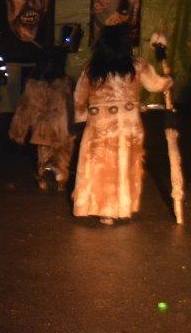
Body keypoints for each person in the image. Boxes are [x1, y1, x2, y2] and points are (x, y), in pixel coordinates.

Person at [72, 25, 173, 224]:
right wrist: (169, 80)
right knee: (124, 163)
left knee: (98, 164)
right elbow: (156, 84)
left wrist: (82, 117)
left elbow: (79, 97)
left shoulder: (91, 68)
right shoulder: (138, 65)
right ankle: (120, 206)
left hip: (99, 123)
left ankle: (101, 208)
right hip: (128, 124)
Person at [9, 48, 75, 192]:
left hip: (41, 127)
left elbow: (24, 108)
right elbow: (71, 106)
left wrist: (18, 131)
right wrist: (74, 125)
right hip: (61, 126)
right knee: (62, 155)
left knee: (44, 154)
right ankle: (60, 178)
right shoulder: (66, 83)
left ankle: (45, 173)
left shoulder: (33, 84)